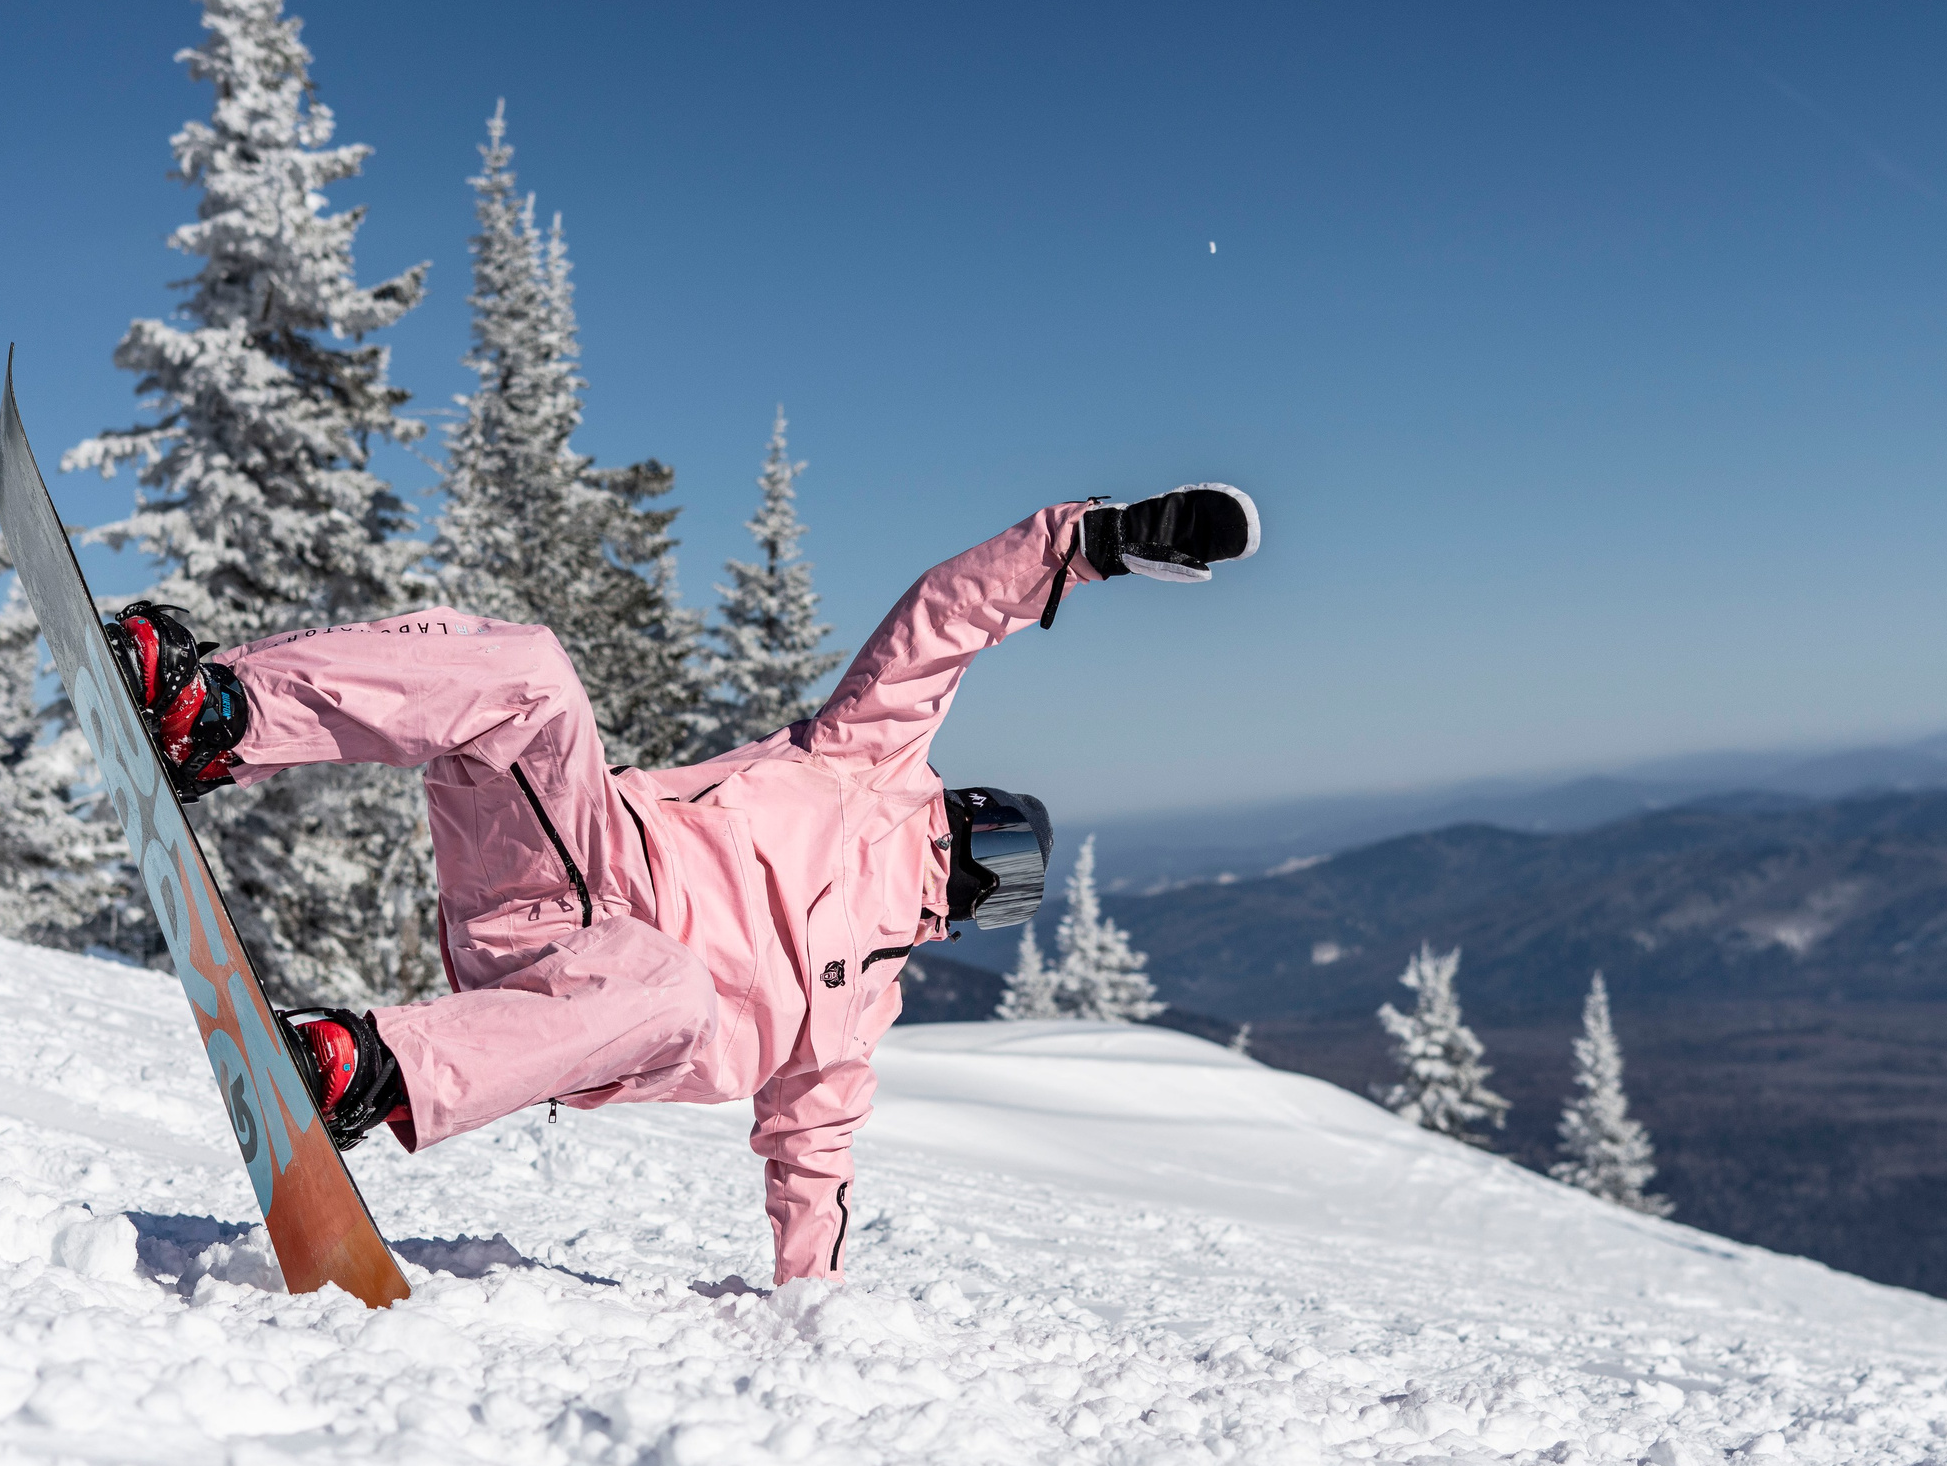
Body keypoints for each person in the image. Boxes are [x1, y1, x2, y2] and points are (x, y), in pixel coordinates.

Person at [105, 486, 1260, 1284]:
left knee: (668, 993)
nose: (977, 866)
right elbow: (943, 622)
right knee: (524, 671)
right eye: (991, 854)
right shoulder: (864, 760)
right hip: (576, 860)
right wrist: (1095, 540)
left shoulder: (861, 1006)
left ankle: (363, 1070)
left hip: (596, 1007)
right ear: (967, 823)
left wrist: (812, 1307)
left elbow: (815, 1158)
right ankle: (218, 716)